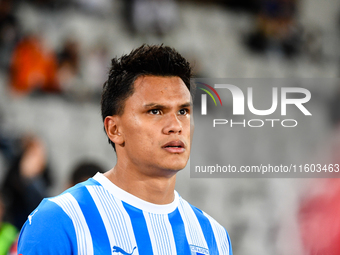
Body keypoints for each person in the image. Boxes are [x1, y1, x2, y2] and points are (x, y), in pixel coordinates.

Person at [17, 44, 232, 254]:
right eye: (156, 111)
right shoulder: (59, 221)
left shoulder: (213, 237)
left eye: (184, 111)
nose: (176, 125)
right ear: (114, 129)